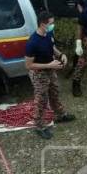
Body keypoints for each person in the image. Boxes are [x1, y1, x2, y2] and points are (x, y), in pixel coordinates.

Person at [25, 11, 75, 140]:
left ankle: (60, 115)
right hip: (39, 73)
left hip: (50, 69)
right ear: (43, 24)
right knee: (41, 99)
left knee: (55, 92)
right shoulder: (32, 42)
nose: (53, 25)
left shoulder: (48, 34)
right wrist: (49, 65)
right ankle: (39, 125)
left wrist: (61, 55)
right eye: (51, 23)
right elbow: (29, 65)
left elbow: (52, 47)